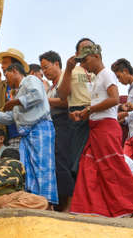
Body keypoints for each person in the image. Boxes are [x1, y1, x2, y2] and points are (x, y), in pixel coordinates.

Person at [69, 43, 133, 217]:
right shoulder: (98, 78)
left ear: (96, 57)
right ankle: (89, 209)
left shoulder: (106, 75)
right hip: (96, 128)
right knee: (88, 165)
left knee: (114, 166)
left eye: (86, 60)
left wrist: (89, 110)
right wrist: (84, 112)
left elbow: (113, 99)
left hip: (106, 128)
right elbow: (105, 104)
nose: (85, 65)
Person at [0, 63, 58, 205]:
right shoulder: (18, 92)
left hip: (40, 128)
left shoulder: (30, 80)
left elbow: (38, 96)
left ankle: (47, 203)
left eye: (6, 75)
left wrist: (15, 102)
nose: (6, 79)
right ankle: (35, 202)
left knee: (42, 166)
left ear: (15, 70)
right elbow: (11, 118)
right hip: (28, 134)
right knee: (29, 168)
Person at [39, 51, 74, 212]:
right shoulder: (51, 86)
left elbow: (66, 101)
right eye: (43, 69)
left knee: (62, 162)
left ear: (57, 64)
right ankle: (61, 202)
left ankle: (69, 203)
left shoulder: (63, 80)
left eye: (47, 67)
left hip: (64, 123)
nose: (45, 71)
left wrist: (45, 101)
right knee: (56, 163)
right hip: (53, 126)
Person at [57, 38, 96, 176]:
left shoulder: (100, 70)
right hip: (78, 114)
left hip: (97, 114)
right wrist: (68, 69)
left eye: (91, 48)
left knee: (97, 160)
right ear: (76, 53)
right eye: (84, 48)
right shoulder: (71, 70)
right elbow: (62, 95)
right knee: (78, 160)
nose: (88, 51)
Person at [0, 48, 30, 150]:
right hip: (6, 135)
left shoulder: (28, 84)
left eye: (5, 63)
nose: (2, 66)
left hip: (26, 134)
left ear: (14, 67)